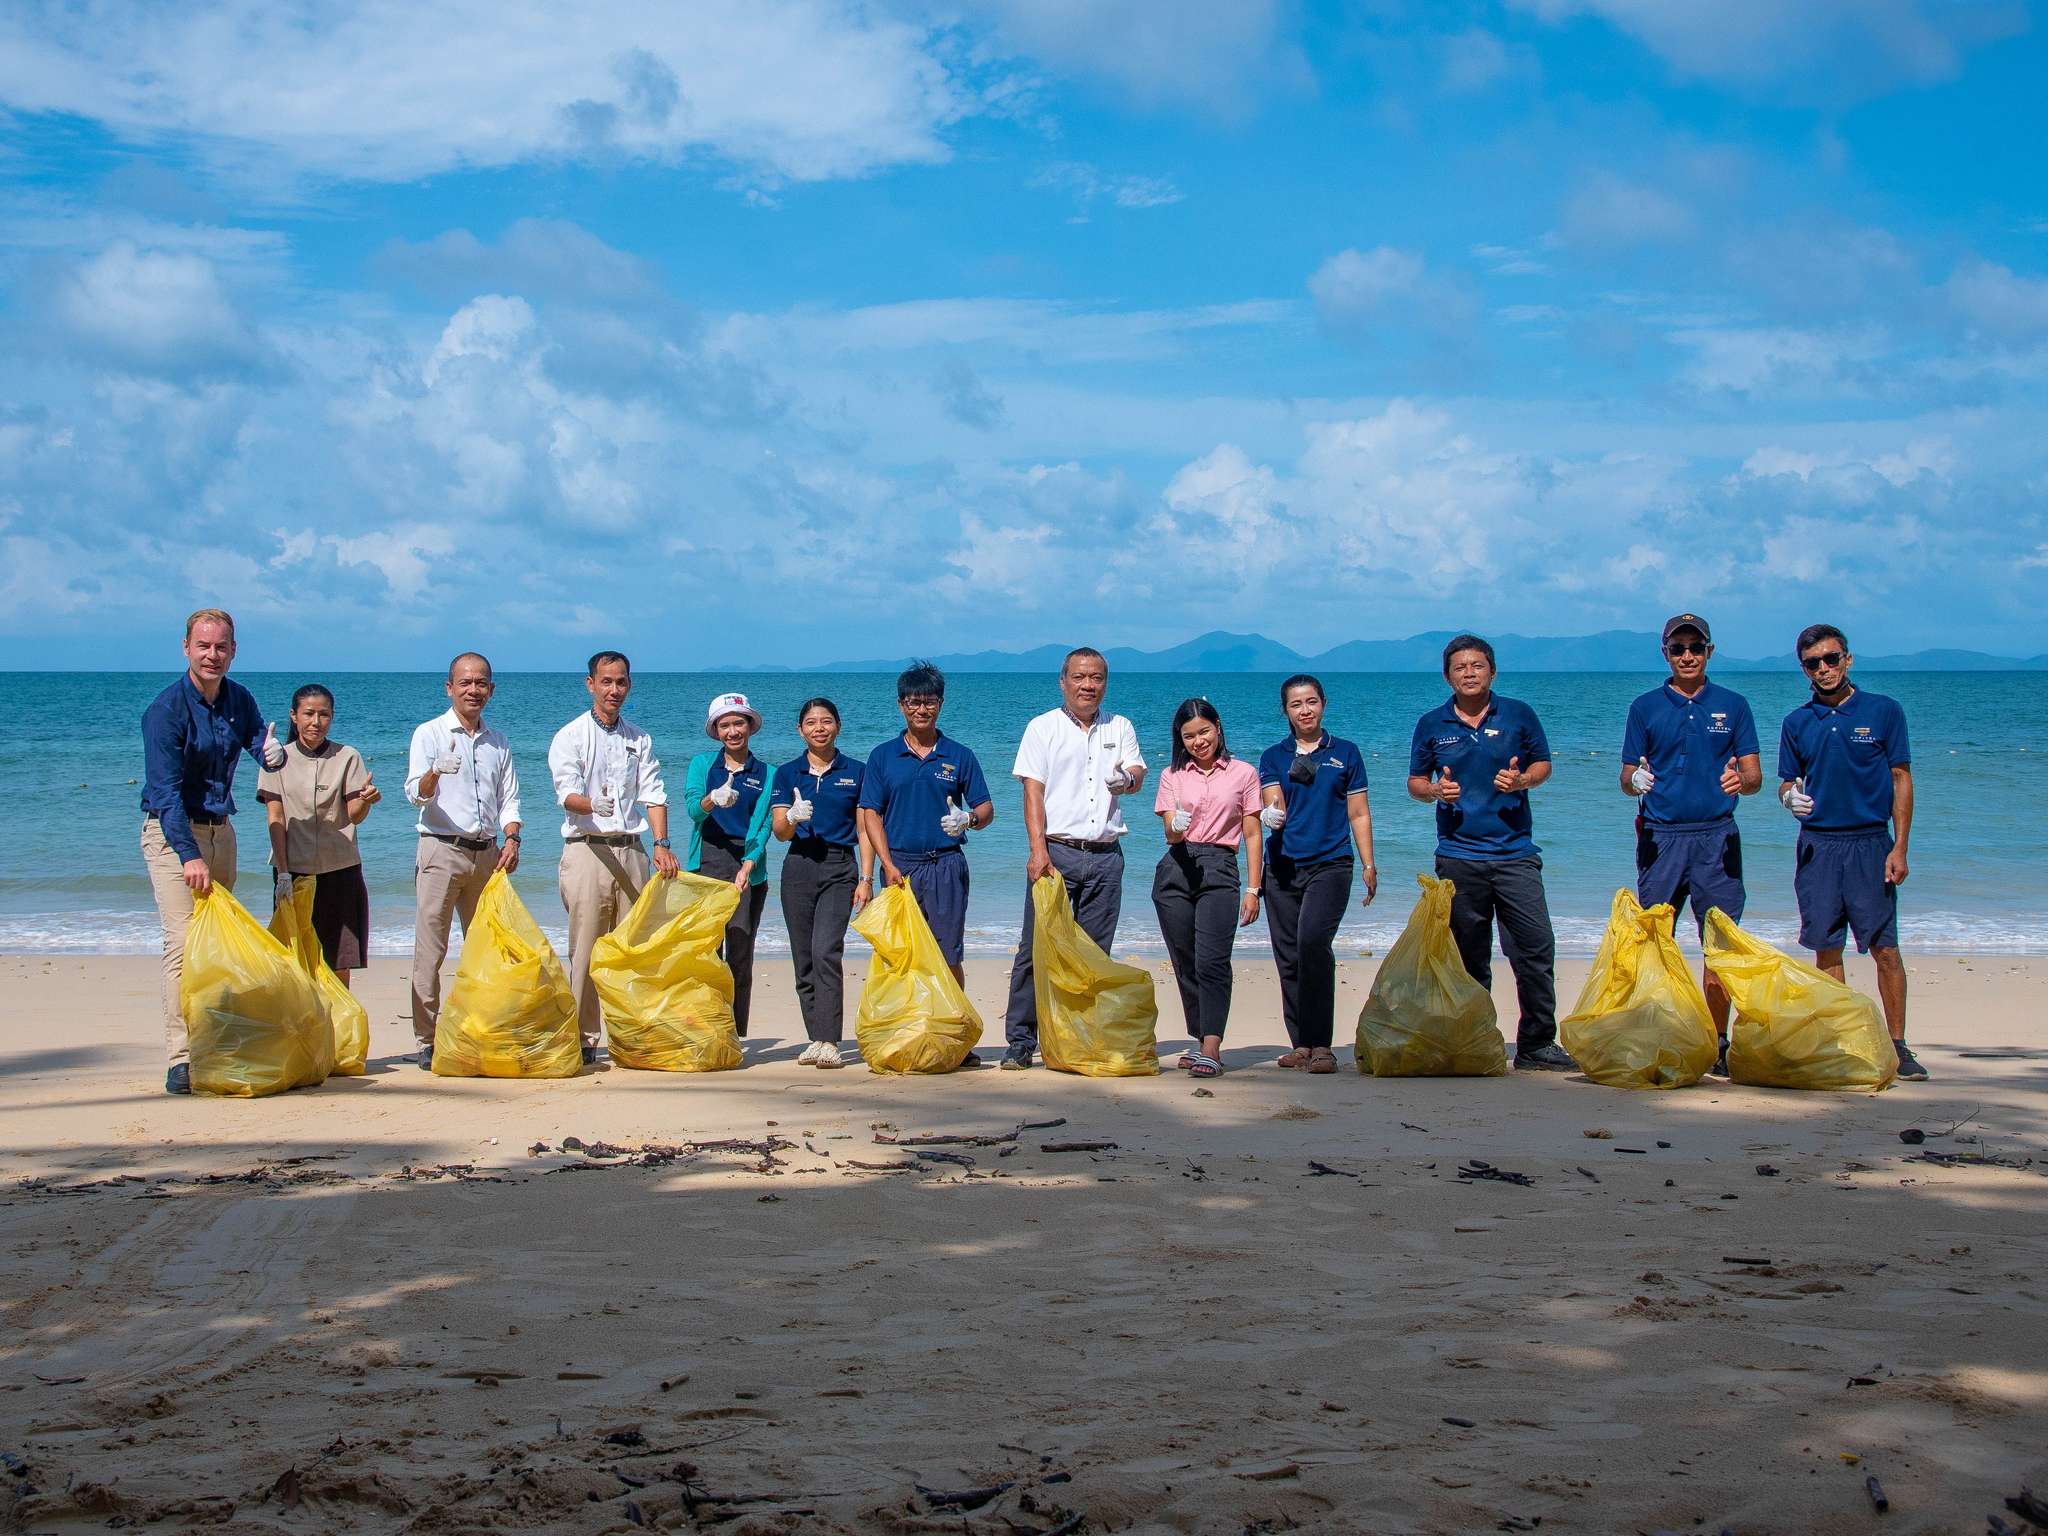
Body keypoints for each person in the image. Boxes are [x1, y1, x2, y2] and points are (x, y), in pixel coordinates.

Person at [1406, 636, 1575, 1071]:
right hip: (1458, 855)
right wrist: (1435, 791)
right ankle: (1477, 1040)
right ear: (1448, 676)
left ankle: (1537, 1043)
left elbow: (1543, 765)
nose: (1468, 673)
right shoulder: (1431, 723)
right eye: (1460, 667)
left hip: (1515, 852)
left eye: (1477, 665)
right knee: (1467, 957)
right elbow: (1415, 782)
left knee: (1535, 948)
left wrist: (1523, 782)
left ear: (1492, 671)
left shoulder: (1519, 714)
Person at [140, 608, 288, 1094]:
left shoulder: (237, 698)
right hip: (172, 835)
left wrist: (274, 753)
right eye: (203, 646)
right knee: (182, 947)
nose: (213, 655)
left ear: (234, 650)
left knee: (218, 943)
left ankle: (215, 1042)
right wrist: (188, 855)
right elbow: (164, 794)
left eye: (221, 646)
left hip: (222, 831)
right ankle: (181, 1059)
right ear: (186, 647)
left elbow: (258, 744)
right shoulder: (165, 711)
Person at [1776, 624, 1925, 1080]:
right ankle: (1841, 1042)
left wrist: (1899, 846)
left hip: (1870, 843)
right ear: (1804, 669)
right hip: (1819, 847)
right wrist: (1787, 797)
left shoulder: (1883, 711)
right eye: (1813, 663)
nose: (1824, 668)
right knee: (1827, 949)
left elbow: (1901, 777)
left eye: (1831, 658)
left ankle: (1898, 1046)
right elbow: (1787, 780)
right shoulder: (1796, 722)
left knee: (1885, 949)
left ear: (1848, 659)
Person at [1619, 614, 1761, 1075]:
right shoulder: (1644, 707)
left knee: (1718, 945)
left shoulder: (1734, 705)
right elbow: (1626, 777)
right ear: (1665, 652)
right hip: (1661, 838)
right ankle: (1657, 1032)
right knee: (1654, 942)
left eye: (1695, 648)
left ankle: (1716, 1042)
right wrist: (1634, 779)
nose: (1687, 656)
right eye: (1678, 648)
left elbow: (1755, 776)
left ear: (1709, 652)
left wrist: (1743, 779)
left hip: (1716, 838)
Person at [1000, 647, 1147, 1070]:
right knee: (1036, 948)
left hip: (1106, 856)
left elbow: (1137, 775)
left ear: (1105, 682)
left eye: (1097, 677)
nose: (1088, 685)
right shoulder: (1042, 727)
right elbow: (1032, 792)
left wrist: (1128, 779)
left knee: (1094, 954)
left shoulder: (1120, 726)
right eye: (1080, 677)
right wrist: (1037, 851)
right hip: (1057, 853)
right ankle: (1021, 1040)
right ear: (1063, 681)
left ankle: (1078, 1035)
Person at [549, 651, 679, 1065]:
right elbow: (564, 794)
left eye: (621, 682)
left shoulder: (639, 739)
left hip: (632, 850)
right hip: (586, 850)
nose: (614, 689)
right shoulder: (569, 735)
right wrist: (591, 805)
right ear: (590, 684)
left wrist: (661, 843)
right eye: (606, 681)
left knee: (633, 949)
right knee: (585, 950)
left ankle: (629, 1035)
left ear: (629, 685)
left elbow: (654, 794)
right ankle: (584, 1038)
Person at [405, 653, 522, 1070]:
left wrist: (512, 838)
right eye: (466, 683)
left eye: (481, 683)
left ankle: (477, 1029)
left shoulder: (499, 741)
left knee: (486, 950)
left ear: (491, 689)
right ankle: (427, 1038)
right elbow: (414, 795)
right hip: (440, 849)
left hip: (487, 854)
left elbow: (508, 798)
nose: (474, 690)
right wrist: (435, 773)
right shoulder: (429, 733)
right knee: (430, 950)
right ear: (449, 687)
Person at [1257, 675, 1376, 1073]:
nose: (1305, 710)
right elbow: (1272, 802)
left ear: (1323, 704)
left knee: (1312, 943)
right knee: (1288, 956)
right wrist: (1270, 813)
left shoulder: (1346, 752)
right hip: (1283, 867)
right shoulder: (1274, 756)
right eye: (1296, 704)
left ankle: (1322, 1045)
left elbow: (1358, 812)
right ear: (1285, 711)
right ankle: (1302, 1045)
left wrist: (1369, 863)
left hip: (1331, 863)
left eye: (1311, 702)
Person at [857, 661, 994, 988]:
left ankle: (952, 1032)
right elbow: (870, 814)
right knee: (900, 953)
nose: (922, 709)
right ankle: (908, 1028)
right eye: (913, 702)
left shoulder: (960, 755)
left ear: (941, 704)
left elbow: (986, 809)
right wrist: (886, 865)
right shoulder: (882, 756)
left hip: (946, 864)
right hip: (900, 866)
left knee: (948, 956)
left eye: (929, 701)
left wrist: (968, 819)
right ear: (901, 705)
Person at [1151, 698, 1263, 1078]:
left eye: (1204, 732)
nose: (1198, 741)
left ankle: (1212, 1046)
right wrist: (1176, 825)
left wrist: (1254, 887)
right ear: (1179, 740)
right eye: (1189, 736)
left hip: (1219, 865)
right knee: (1185, 959)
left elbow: (1252, 831)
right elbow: (1168, 831)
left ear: (1217, 728)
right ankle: (1199, 1037)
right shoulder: (1172, 775)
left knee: (1212, 960)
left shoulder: (1243, 773)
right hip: (1177, 866)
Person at [770, 697, 874, 1068]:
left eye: (826, 721)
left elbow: (864, 829)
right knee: (803, 956)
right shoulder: (787, 773)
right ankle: (815, 1036)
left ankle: (830, 1040)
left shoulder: (856, 772)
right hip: (798, 866)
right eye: (811, 722)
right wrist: (794, 818)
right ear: (800, 730)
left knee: (825, 951)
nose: (819, 727)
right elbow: (780, 832)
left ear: (838, 727)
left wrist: (866, 877)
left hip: (839, 867)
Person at [258, 683, 379, 985]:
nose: (316, 721)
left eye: (324, 714)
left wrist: (365, 800)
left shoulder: (347, 756)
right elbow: (275, 816)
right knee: (294, 958)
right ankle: (302, 1028)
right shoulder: (276, 758)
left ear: (332, 717)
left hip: (340, 869)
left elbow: (355, 816)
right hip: (294, 872)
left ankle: (338, 1028)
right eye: (309, 714)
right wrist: (283, 873)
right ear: (294, 716)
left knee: (339, 960)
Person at [685, 692, 774, 1038]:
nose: (733, 731)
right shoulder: (702, 765)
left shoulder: (768, 773)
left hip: (746, 866)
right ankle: (705, 1030)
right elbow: (693, 810)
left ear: (750, 726)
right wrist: (712, 799)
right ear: (716, 730)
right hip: (706, 863)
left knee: (740, 954)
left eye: (739, 723)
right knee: (705, 953)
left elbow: (764, 823)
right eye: (725, 725)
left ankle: (734, 1035)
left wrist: (749, 864)